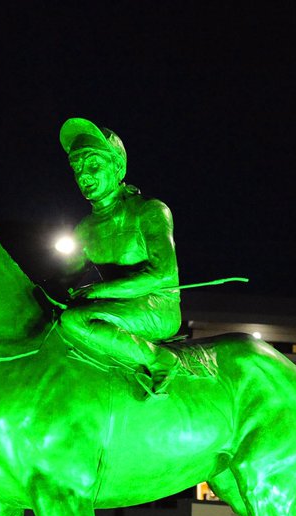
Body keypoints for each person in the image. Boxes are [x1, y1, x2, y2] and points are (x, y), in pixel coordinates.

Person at [58, 118, 181, 395]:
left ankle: (159, 359)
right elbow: (64, 280)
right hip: (113, 308)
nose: (83, 176)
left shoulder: (149, 211)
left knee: (75, 320)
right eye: (77, 168)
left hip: (155, 307)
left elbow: (163, 273)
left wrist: (97, 291)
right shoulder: (84, 230)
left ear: (117, 167)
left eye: (93, 165)